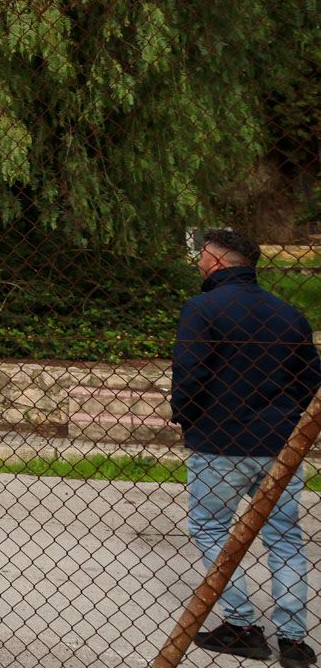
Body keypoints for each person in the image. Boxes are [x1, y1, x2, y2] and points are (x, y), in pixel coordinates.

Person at [176, 228, 321, 664]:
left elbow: (190, 374)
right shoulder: (288, 314)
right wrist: (283, 414)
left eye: (202, 256)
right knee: (284, 538)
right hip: (278, 445)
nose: (199, 262)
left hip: (219, 443)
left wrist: (189, 417)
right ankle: (294, 641)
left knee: (210, 527)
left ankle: (241, 624)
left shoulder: (202, 308)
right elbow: (310, 376)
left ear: (216, 261)